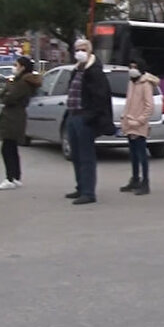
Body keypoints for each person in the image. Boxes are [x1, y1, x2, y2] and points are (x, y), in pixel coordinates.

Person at [64, 38, 115, 205]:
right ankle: (80, 187)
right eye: (77, 49)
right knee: (76, 155)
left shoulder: (94, 71)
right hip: (73, 115)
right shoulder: (77, 69)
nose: (80, 52)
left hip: (84, 118)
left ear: (90, 51)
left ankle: (88, 192)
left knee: (86, 156)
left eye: (83, 49)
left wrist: (89, 117)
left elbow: (100, 97)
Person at [0, 56, 42, 190]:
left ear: (22, 67)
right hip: (15, 116)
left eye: (16, 65)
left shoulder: (22, 83)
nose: (14, 67)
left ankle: (10, 177)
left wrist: (9, 87)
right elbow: (4, 95)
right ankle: (15, 176)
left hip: (13, 117)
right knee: (12, 148)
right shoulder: (20, 81)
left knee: (7, 148)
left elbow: (8, 97)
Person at [119, 59, 156, 196]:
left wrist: (140, 120)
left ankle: (145, 182)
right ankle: (135, 179)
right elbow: (129, 102)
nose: (132, 69)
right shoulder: (131, 83)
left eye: (135, 67)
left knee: (141, 154)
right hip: (129, 122)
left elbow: (149, 106)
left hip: (139, 125)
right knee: (133, 154)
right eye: (130, 67)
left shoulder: (145, 84)